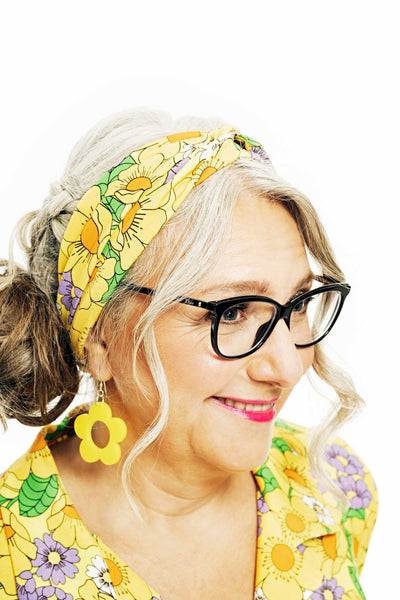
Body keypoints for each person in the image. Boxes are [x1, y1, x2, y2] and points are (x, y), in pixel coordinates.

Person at [0, 109, 377, 600]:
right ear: (101, 342)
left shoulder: (333, 486)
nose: (286, 367)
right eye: (233, 311)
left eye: (300, 304)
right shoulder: (12, 553)